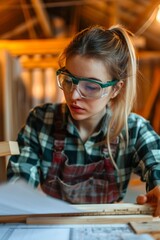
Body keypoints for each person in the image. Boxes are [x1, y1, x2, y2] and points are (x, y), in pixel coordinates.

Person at [7, 24, 160, 216]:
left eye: (91, 86)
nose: (73, 95)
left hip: (104, 228)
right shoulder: (41, 120)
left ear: (115, 89)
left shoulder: (133, 129)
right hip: (52, 226)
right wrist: (17, 197)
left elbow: (157, 162)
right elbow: (20, 178)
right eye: (69, 80)